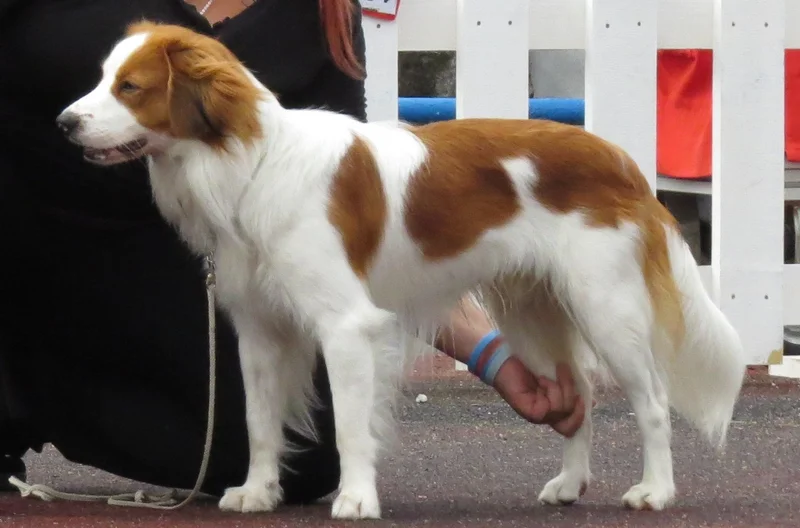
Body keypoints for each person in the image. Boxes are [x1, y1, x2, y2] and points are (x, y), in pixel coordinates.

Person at [0, 0, 584, 502]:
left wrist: (491, 353)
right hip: (28, 249)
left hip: (182, 279)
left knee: (300, 463)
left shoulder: (320, 12)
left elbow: (360, 234)